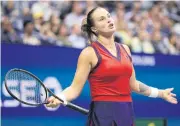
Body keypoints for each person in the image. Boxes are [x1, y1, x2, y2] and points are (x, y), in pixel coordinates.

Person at [46, 7, 178, 126]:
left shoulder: (125, 49)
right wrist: (60, 97)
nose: (109, 20)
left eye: (109, 16)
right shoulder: (89, 53)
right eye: (102, 19)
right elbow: (74, 89)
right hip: (102, 115)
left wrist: (160, 93)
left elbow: (133, 84)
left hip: (126, 114)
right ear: (94, 29)